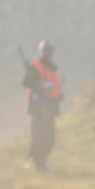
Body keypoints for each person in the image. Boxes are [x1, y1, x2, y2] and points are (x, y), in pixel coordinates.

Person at [22, 40, 62, 171]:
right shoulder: (35, 66)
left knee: (50, 137)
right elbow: (26, 81)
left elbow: (54, 85)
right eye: (45, 51)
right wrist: (41, 86)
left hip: (49, 107)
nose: (47, 53)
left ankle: (36, 161)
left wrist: (60, 95)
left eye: (49, 51)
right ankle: (38, 164)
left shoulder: (52, 67)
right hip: (38, 107)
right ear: (40, 51)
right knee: (40, 136)